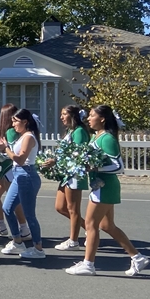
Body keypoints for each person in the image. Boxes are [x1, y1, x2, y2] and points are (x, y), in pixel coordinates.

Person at [65, 105, 150, 276]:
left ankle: (88, 264)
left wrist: (94, 168)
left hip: (105, 187)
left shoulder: (107, 138)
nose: (88, 119)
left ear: (102, 118)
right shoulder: (97, 136)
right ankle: (137, 257)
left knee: (90, 224)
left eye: (91, 116)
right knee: (107, 225)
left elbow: (118, 166)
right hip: (100, 187)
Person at [0, 109, 45, 259]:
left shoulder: (29, 137)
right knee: (7, 208)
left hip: (27, 175)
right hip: (19, 175)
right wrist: (4, 148)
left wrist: (5, 148)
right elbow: (14, 157)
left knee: (29, 215)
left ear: (25, 122)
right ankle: (17, 241)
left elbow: (20, 159)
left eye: (16, 121)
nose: (13, 124)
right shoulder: (23, 136)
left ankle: (38, 248)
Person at [43, 105, 89, 251]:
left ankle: (73, 241)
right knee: (60, 207)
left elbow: (78, 154)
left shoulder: (80, 132)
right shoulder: (71, 131)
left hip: (75, 174)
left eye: (64, 114)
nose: (61, 117)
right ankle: (89, 228)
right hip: (66, 174)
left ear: (73, 116)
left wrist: (56, 161)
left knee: (73, 209)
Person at [0, 104, 30, 238]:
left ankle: (24, 229)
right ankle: (1, 226)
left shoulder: (11, 132)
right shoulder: (10, 132)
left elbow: (11, 151)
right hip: (5, 169)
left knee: (14, 202)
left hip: (10, 169)